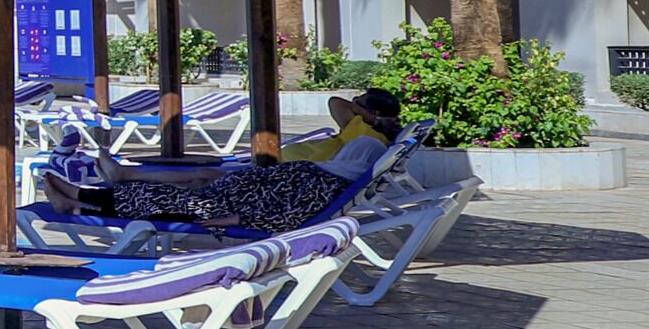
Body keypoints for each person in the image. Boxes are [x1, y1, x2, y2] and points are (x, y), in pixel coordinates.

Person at [42, 88, 408, 235]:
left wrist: (235, 220)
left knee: (174, 200)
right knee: (182, 193)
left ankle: (78, 199)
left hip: (258, 194)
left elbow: (294, 214)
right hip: (268, 183)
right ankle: (79, 197)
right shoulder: (358, 154)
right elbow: (336, 105)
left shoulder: (364, 144)